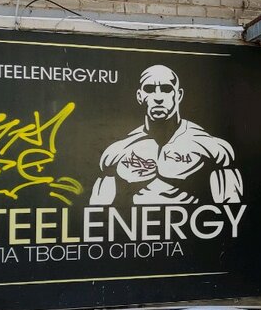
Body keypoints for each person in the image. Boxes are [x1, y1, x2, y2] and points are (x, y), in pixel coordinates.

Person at [91, 64, 243, 205]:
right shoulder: (117, 153)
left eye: (166, 89)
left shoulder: (211, 148)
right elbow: (98, 210)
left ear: (178, 95)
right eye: (149, 89)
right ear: (139, 96)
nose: (158, 97)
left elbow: (232, 209)